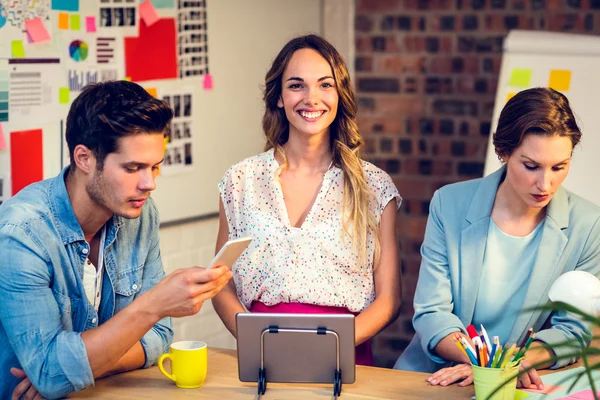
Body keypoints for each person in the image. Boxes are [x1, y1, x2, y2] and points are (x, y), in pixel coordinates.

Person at [0, 81, 232, 399]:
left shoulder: (141, 214)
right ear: (84, 158)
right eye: (132, 168)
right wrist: (153, 306)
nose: (149, 184)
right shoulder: (21, 233)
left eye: (154, 167)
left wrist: (81, 369)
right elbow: (50, 372)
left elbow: (160, 337)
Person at [212, 34, 402, 366]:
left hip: (344, 357)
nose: (311, 98)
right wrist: (252, 341)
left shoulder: (374, 186)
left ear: (339, 95)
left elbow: (389, 299)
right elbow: (219, 282)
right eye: (297, 85)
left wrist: (328, 347)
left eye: (325, 85)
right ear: (279, 98)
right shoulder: (240, 181)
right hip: (263, 358)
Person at [394, 87, 600, 389]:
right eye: (531, 166)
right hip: (438, 379)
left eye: (560, 167)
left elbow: (573, 330)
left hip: (525, 384)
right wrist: (485, 366)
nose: (546, 183)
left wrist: (512, 366)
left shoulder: (588, 224)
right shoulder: (449, 205)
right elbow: (432, 312)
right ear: (503, 153)